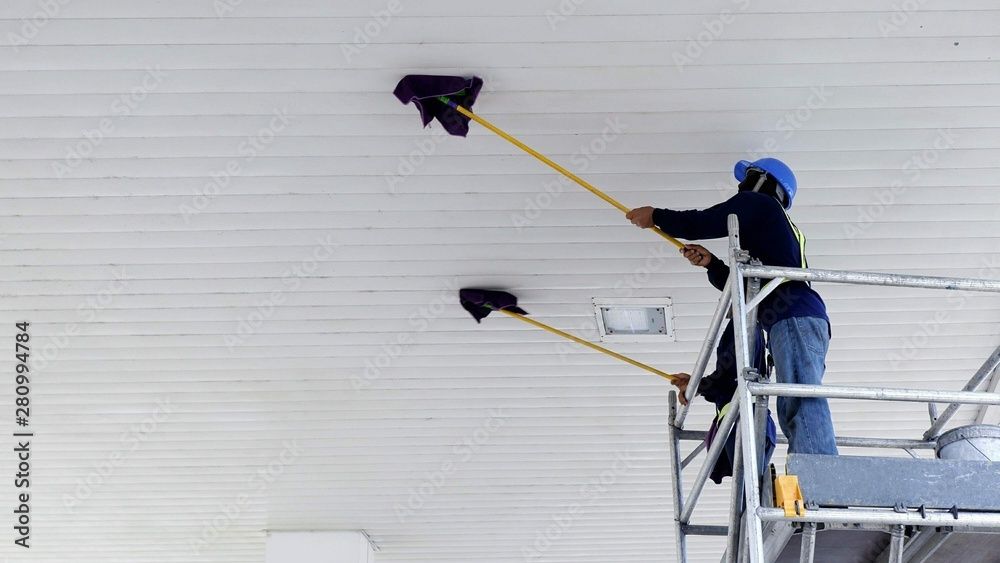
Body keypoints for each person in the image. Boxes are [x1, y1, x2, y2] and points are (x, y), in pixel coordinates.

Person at [626, 157, 838, 455]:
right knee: (794, 397)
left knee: (799, 397)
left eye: (749, 176)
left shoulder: (760, 204)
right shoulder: (776, 231)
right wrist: (712, 264)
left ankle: (819, 473)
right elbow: (749, 286)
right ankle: (814, 470)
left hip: (792, 315)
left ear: (765, 182)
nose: (742, 185)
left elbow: (705, 221)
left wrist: (656, 216)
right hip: (797, 314)